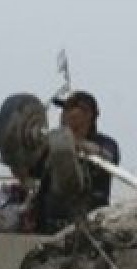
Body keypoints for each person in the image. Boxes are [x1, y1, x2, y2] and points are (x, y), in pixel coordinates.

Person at [34, 90, 121, 233]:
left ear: (87, 114)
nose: (63, 114)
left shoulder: (106, 143)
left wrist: (75, 144)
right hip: (50, 230)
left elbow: (108, 157)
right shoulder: (51, 145)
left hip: (89, 230)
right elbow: (29, 171)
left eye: (68, 109)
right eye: (63, 110)